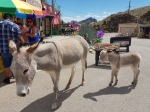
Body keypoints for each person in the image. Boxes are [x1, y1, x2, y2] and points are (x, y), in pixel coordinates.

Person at [0, 13, 25, 84]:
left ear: (3, 17)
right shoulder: (14, 25)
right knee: (15, 63)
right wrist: (24, 43)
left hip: (3, 49)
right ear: (11, 18)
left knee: (6, 64)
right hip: (13, 49)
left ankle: (7, 78)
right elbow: (20, 37)